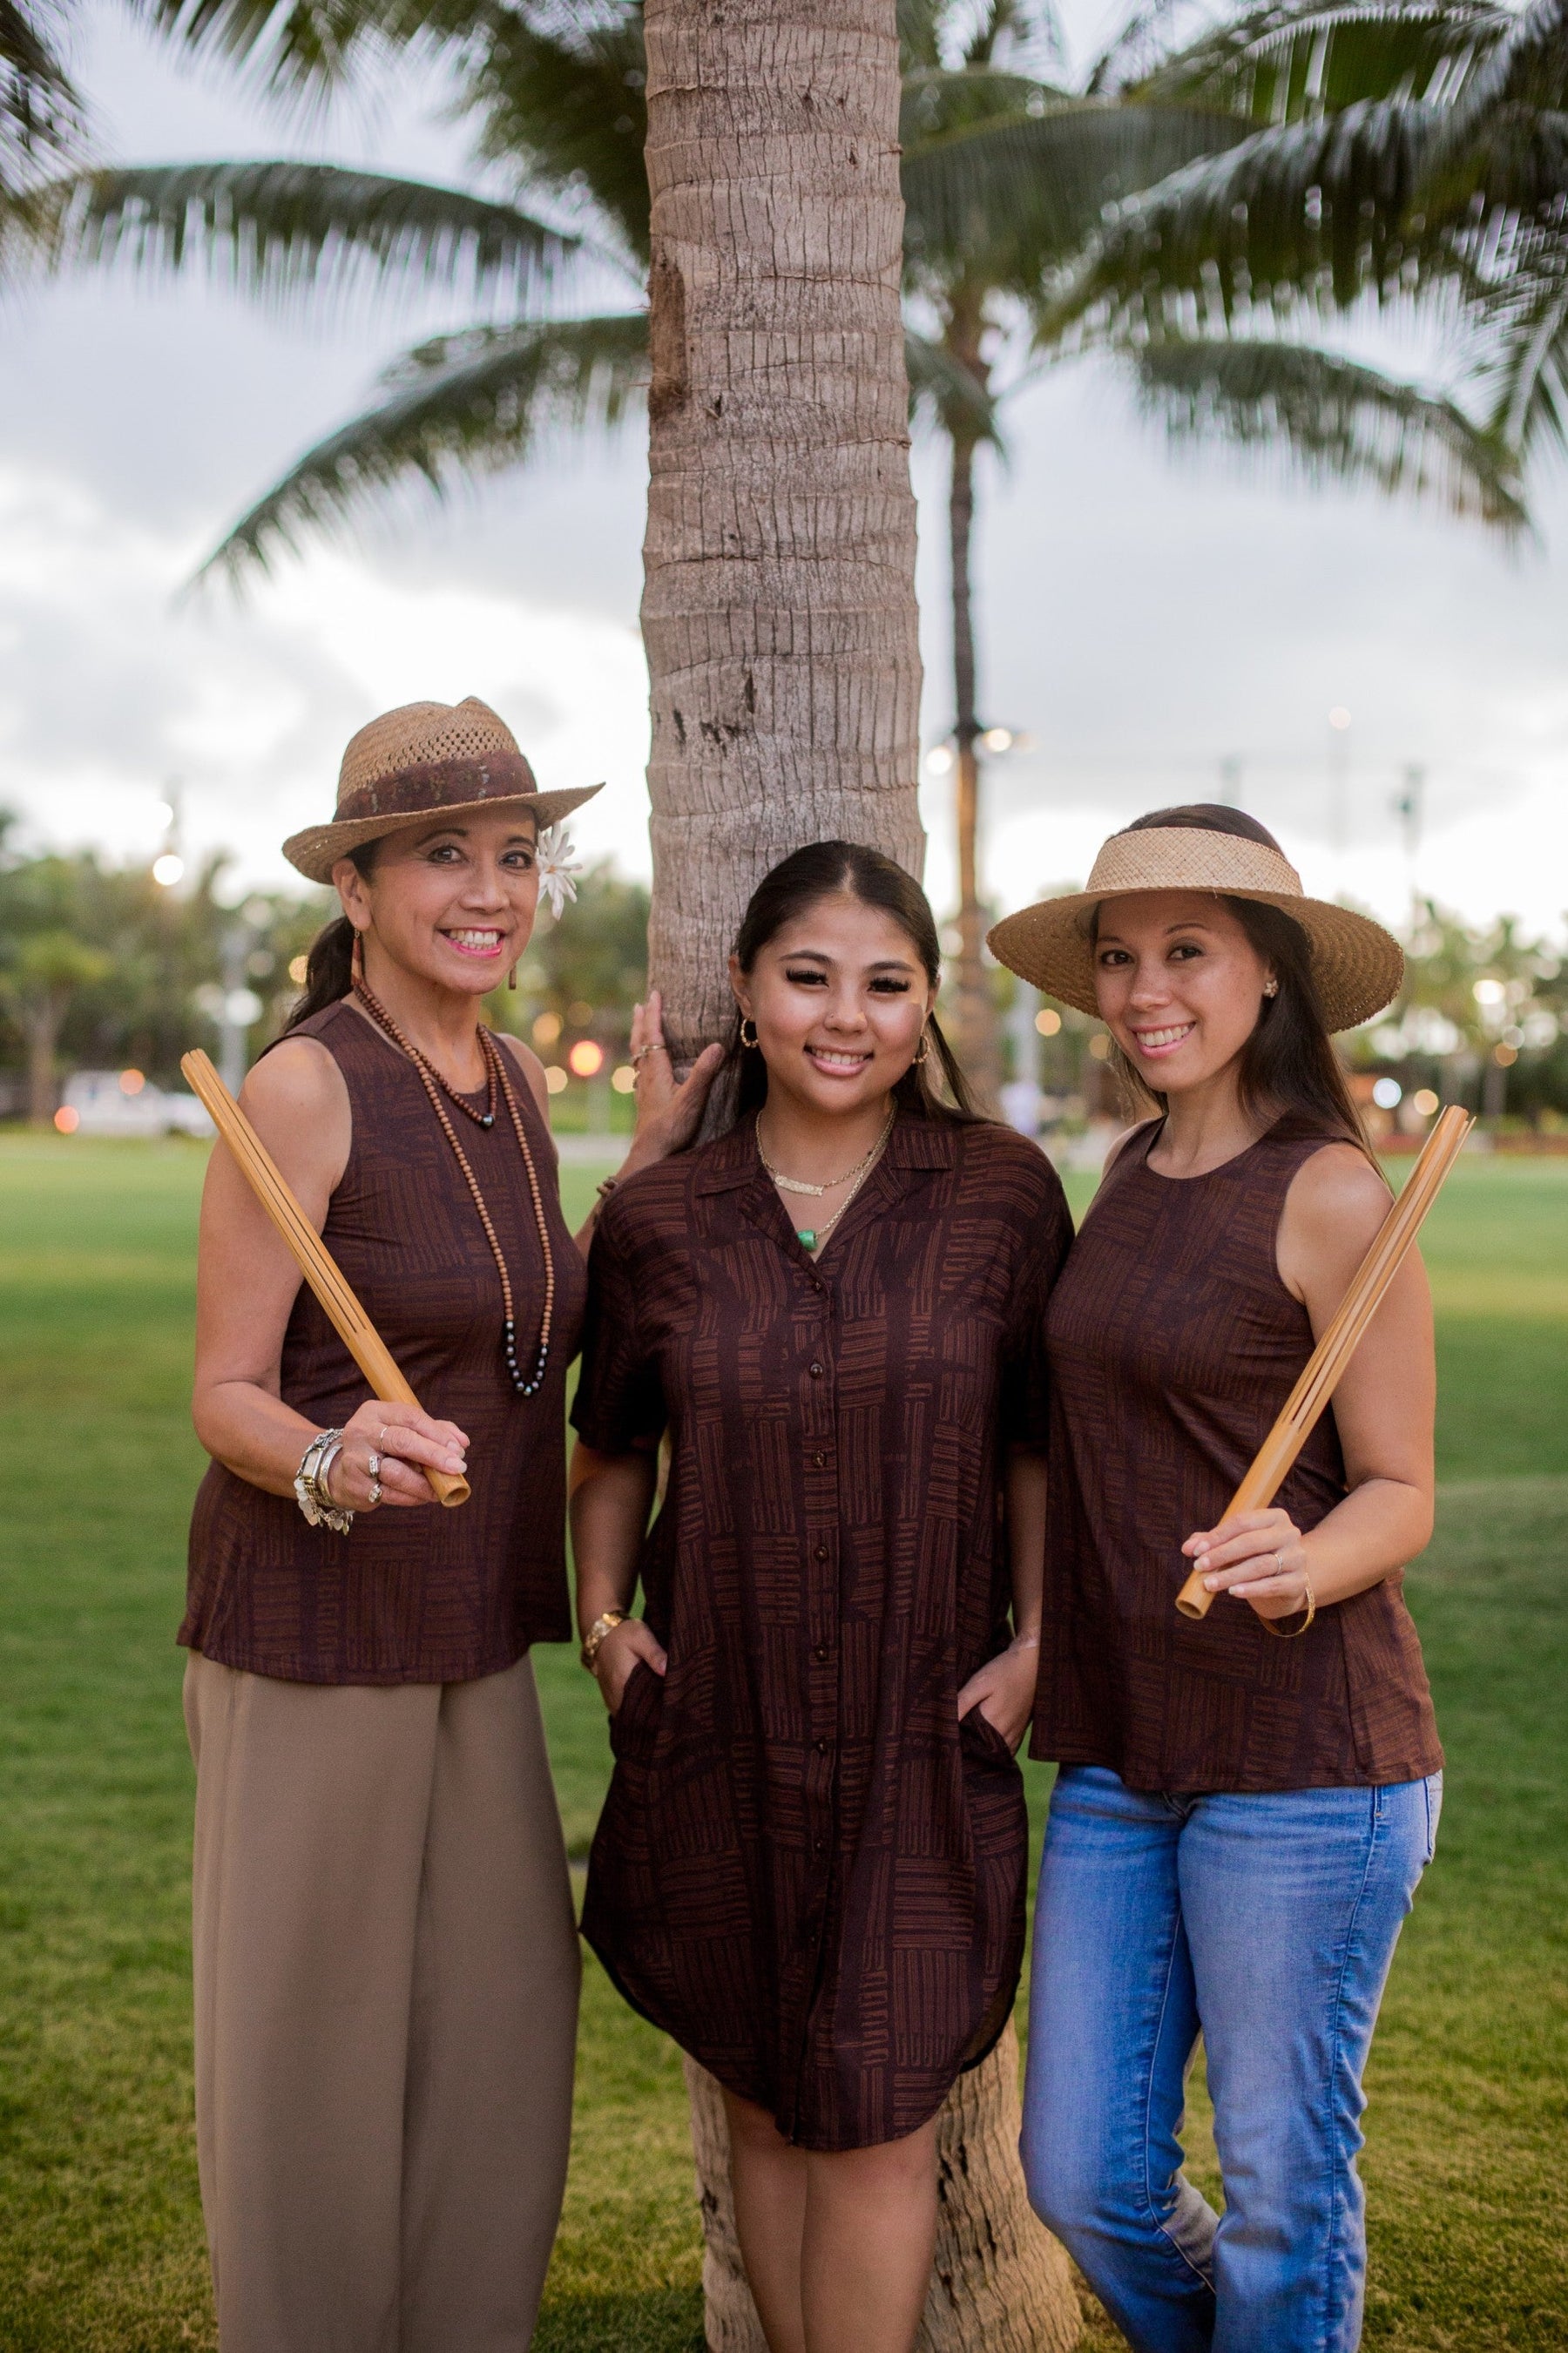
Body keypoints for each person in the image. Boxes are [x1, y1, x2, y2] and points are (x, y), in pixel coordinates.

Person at [180, 696, 718, 2353]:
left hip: (479, 1627)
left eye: (513, 855)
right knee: (313, 2051)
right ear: (355, 888)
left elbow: (514, 1325)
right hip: (316, 1627)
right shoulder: (302, 1087)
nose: (489, 889)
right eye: (441, 857)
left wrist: (637, 1167)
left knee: (500, 2019)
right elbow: (226, 1389)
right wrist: (334, 1461)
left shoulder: (501, 1075)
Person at [568, 842, 1073, 2353]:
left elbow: (1041, 1447)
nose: (843, 1015)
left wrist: (1042, 1641)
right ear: (744, 991)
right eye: (807, 977)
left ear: (928, 1007)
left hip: (925, 1726)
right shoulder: (670, 1221)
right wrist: (605, 1630)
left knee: (879, 2122)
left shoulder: (999, 1196)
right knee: (770, 2108)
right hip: (719, 1721)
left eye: (885, 982)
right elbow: (608, 1450)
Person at [990, 806, 1444, 2353]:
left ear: (1270, 976)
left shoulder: (1332, 1193)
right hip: (1124, 1742)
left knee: (1279, 2188)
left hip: (1308, 1759)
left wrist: (1301, 1554)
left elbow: (1401, 1491)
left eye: (1188, 950)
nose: (1142, 988)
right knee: (1084, 2171)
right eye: (1119, 957)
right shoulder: (1125, 1168)